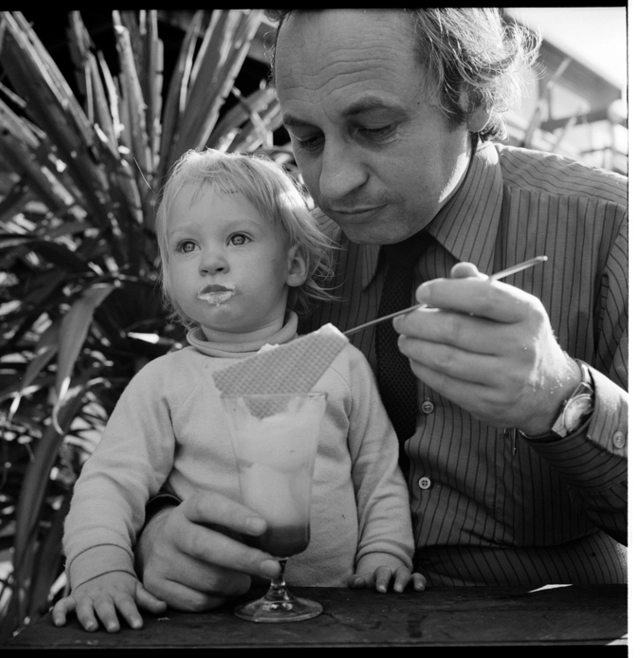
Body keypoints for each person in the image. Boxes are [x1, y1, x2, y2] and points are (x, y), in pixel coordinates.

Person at [133, 8, 627, 611]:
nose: (333, 183)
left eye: (373, 126)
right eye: (307, 139)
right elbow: (186, 414)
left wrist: (559, 398)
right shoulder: (287, 256)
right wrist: (160, 527)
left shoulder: (612, 230)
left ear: (469, 96)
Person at [51, 149, 424, 632]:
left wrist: (384, 553)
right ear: (167, 275)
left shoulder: (339, 364)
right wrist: (101, 571)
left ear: (292, 265)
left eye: (238, 238)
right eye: (186, 247)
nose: (210, 262)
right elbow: (109, 483)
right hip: (209, 620)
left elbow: (376, 471)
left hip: (336, 614)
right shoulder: (163, 383)